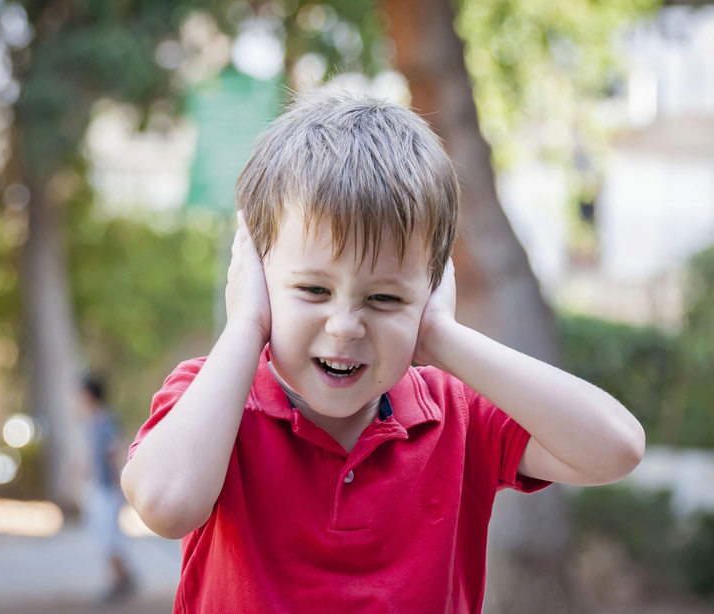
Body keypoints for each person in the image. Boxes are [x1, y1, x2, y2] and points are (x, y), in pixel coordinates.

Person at [121, 92, 645, 613]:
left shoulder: (458, 416)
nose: (345, 326)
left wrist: (441, 336)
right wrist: (244, 326)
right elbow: (166, 506)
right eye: (312, 290)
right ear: (256, 277)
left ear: (431, 292)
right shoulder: (212, 397)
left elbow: (616, 447)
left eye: (385, 298)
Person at [81, 376, 136, 604]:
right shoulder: (93, 420)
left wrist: (119, 487)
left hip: (108, 488)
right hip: (99, 487)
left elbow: (113, 454)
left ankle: (119, 581)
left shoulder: (105, 420)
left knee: (110, 538)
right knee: (105, 537)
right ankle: (123, 578)